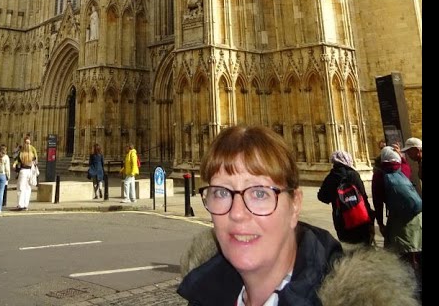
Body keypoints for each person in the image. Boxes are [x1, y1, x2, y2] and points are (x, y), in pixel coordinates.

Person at [177, 126, 418, 306]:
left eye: (260, 193)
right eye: (220, 192)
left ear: (295, 205)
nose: (238, 213)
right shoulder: (204, 292)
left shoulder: (360, 298)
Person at [376, 147, 422, 298]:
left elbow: (378, 203)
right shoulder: (403, 170)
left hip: (397, 221)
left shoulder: (379, 175)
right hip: (415, 219)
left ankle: (409, 289)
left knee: (402, 256)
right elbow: (406, 165)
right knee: (416, 251)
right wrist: (401, 156)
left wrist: (380, 223)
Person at [316, 150, 377, 246]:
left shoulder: (331, 177)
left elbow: (322, 197)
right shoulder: (353, 174)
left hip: (341, 219)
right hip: (360, 217)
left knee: (348, 247)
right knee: (365, 247)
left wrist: (335, 197)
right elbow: (363, 195)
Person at [14, 134, 38, 211]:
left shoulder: (22, 153)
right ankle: (25, 205)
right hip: (30, 171)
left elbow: (17, 160)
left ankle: (20, 204)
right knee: (28, 188)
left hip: (23, 171)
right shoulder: (32, 153)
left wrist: (15, 165)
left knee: (21, 188)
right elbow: (36, 160)